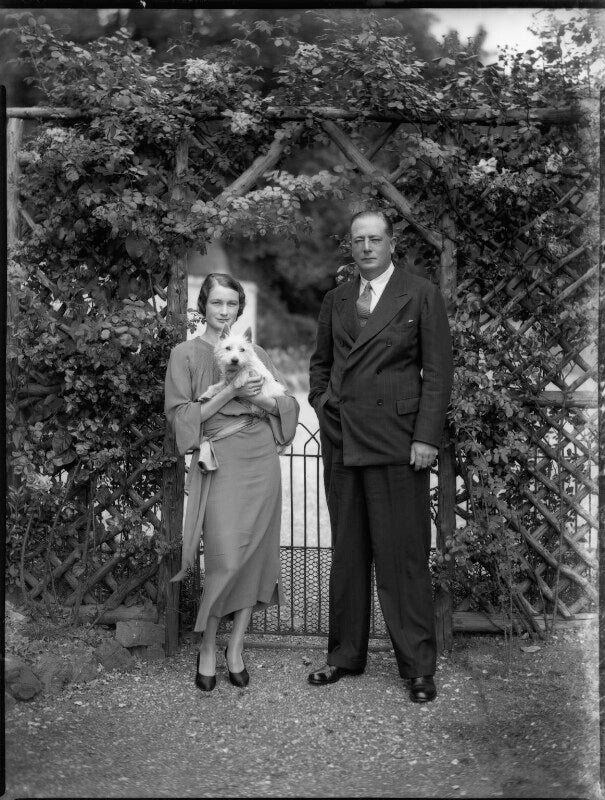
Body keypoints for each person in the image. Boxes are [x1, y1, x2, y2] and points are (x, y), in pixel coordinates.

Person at [307, 210, 453, 703]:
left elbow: (437, 372)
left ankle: (418, 667)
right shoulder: (336, 299)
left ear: (391, 243)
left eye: (375, 239)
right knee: (347, 554)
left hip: (398, 442)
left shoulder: (420, 293)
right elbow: (321, 363)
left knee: (402, 557)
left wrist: (426, 437)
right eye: (358, 240)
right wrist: (323, 403)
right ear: (350, 246)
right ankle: (344, 656)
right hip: (344, 439)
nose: (366, 247)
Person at [164, 273, 299, 691]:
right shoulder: (185, 354)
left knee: (255, 556)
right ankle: (208, 646)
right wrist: (231, 393)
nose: (224, 311)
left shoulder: (255, 352)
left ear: (240, 308)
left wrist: (256, 397)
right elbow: (183, 418)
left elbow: (287, 405)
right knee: (225, 558)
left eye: (232, 304)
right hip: (220, 462)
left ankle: (235, 647)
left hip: (260, 458)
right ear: (203, 305)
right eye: (217, 303)